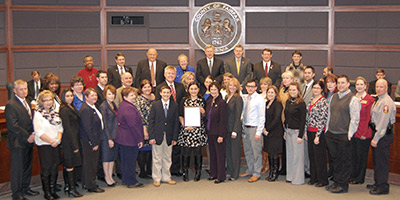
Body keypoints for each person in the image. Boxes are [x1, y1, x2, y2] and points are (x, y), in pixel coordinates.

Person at [325, 75, 361, 193]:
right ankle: (336, 182)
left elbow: (355, 119)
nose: (340, 85)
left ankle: (343, 185)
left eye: (343, 83)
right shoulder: (334, 96)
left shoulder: (353, 99)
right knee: (335, 160)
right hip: (331, 134)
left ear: (348, 84)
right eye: (339, 83)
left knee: (344, 161)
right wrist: (327, 130)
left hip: (344, 135)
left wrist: (350, 134)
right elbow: (329, 114)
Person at [5, 80, 39, 200]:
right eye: (21, 89)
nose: (24, 91)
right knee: (17, 169)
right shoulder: (11, 104)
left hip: (29, 141)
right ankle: (17, 193)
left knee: (27, 167)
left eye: (25, 88)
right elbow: (13, 126)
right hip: (18, 142)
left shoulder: (28, 101)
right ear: (15, 91)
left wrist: (34, 133)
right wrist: (27, 136)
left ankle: (25, 188)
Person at [154, 66, 186, 176]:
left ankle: (175, 170)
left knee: (176, 146)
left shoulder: (180, 86)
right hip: (165, 121)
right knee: (162, 150)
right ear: (164, 74)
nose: (171, 75)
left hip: (178, 119)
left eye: (173, 73)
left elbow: (182, 103)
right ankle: (162, 173)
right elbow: (158, 107)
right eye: (169, 73)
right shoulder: (159, 87)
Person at [368, 79, 396, 195]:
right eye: (377, 86)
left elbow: (383, 123)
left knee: (381, 162)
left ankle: (383, 186)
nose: (378, 89)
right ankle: (377, 182)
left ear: (386, 88)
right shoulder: (379, 99)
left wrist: (376, 138)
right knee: (377, 160)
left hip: (382, 135)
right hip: (378, 133)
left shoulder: (386, 103)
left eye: (381, 87)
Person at [33, 90, 63, 200]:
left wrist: (58, 140)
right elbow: (39, 132)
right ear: (41, 102)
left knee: (55, 167)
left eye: (50, 100)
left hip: (56, 143)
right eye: (45, 100)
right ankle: (47, 192)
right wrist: (51, 141)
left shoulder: (55, 112)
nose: (48, 102)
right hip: (45, 145)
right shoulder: (38, 114)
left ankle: (53, 189)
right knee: (46, 169)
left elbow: (60, 128)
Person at [149, 85, 179, 187]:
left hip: (169, 136)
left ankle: (166, 177)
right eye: (164, 92)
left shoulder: (174, 106)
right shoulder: (155, 105)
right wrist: (151, 136)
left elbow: (176, 123)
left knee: (167, 157)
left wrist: (175, 138)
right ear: (161, 93)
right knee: (157, 157)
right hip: (157, 135)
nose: (166, 94)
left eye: (168, 92)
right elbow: (151, 122)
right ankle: (156, 178)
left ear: (170, 94)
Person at [115, 88, 145, 188]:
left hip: (125, 139)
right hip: (129, 139)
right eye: (131, 95)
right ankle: (131, 181)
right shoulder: (128, 108)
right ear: (125, 97)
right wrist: (139, 139)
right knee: (130, 162)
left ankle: (126, 179)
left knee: (125, 161)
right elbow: (133, 125)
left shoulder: (123, 105)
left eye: (134, 95)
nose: (134, 97)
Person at [178, 82, 207, 182]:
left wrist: (203, 112)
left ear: (198, 90)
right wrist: (185, 125)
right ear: (188, 90)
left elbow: (204, 116)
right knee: (185, 152)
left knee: (198, 152)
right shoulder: (184, 100)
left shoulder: (202, 100)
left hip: (198, 130)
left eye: (195, 89)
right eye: (191, 89)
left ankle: (198, 172)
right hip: (187, 130)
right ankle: (185, 172)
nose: (193, 91)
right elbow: (180, 115)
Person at [239, 79, 265, 183]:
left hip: (255, 128)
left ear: (256, 88)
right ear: (246, 87)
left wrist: (259, 132)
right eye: (248, 86)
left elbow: (262, 116)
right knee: (248, 150)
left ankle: (256, 173)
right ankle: (250, 170)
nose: (250, 88)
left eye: (252, 86)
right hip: (245, 127)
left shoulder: (259, 99)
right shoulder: (245, 98)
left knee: (256, 152)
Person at [79, 88, 105, 193]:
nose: (94, 97)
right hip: (89, 141)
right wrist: (93, 142)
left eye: (95, 95)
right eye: (91, 95)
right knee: (91, 164)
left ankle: (88, 183)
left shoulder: (93, 106)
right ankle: (91, 186)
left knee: (90, 163)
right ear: (86, 97)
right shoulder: (86, 109)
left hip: (95, 139)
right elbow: (87, 128)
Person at [350, 77, 375, 185]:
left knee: (361, 156)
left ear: (365, 86)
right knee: (353, 155)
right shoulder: (353, 97)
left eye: (361, 84)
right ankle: (352, 175)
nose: (359, 86)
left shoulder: (370, 100)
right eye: (357, 85)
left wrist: (365, 133)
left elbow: (370, 118)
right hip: (353, 130)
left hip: (364, 131)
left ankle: (359, 178)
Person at [59, 89, 83, 198]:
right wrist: (74, 145)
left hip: (74, 139)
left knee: (71, 164)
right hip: (69, 141)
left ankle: (68, 186)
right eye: (67, 96)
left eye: (71, 96)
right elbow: (67, 129)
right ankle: (71, 189)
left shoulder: (71, 107)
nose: (70, 98)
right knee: (69, 165)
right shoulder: (64, 110)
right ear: (63, 97)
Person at [305, 81, 329, 187]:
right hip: (309, 131)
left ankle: (322, 179)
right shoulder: (311, 100)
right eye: (314, 88)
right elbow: (307, 117)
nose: (315, 90)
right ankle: (313, 177)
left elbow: (323, 119)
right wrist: (305, 132)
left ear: (322, 90)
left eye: (318, 88)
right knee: (312, 156)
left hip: (318, 133)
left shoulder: (323, 101)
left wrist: (318, 135)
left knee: (320, 157)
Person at [284, 82, 306, 185]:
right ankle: (290, 176)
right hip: (288, 131)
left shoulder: (301, 103)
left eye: (294, 90)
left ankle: (298, 179)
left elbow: (303, 120)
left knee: (298, 156)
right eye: (290, 90)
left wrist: (300, 135)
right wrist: (285, 130)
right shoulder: (288, 102)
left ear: (298, 91)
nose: (292, 92)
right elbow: (286, 117)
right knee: (290, 155)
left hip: (297, 132)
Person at [205, 82, 228, 183]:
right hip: (210, 132)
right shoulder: (209, 101)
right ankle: (213, 173)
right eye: (211, 89)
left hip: (218, 133)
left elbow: (223, 121)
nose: (213, 91)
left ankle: (221, 176)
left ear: (218, 90)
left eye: (215, 89)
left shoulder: (222, 103)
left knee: (220, 155)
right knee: (213, 154)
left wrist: (221, 135)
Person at [135, 79, 155, 179]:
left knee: (151, 150)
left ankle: (149, 170)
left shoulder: (154, 97)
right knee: (143, 151)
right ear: (141, 89)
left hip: (153, 127)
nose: (147, 89)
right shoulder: (138, 99)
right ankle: (142, 171)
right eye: (145, 87)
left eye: (149, 86)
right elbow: (140, 116)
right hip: (143, 127)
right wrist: (144, 129)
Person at [263, 85, 284, 182]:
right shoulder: (267, 103)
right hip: (267, 132)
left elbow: (276, 119)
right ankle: (271, 171)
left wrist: (267, 129)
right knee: (270, 153)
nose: (270, 94)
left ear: (276, 94)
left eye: (272, 92)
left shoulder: (278, 104)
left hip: (275, 132)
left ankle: (275, 173)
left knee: (274, 153)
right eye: (268, 92)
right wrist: (263, 128)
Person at [99, 85, 119, 187]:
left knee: (112, 158)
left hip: (115, 135)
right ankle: (107, 177)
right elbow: (105, 124)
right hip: (107, 137)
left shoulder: (113, 104)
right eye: (109, 94)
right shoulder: (103, 106)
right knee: (106, 158)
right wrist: (109, 139)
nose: (111, 96)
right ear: (105, 95)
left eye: (113, 94)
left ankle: (110, 176)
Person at [225, 78, 243, 181]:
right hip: (227, 129)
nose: (232, 87)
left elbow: (237, 116)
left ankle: (235, 174)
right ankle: (230, 171)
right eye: (230, 85)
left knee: (235, 152)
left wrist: (235, 130)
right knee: (229, 152)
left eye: (234, 86)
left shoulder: (238, 98)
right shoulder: (227, 97)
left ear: (237, 87)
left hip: (234, 130)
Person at [278, 71, 294, 176]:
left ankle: (290, 168)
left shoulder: (292, 91)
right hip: (281, 119)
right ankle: (283, 167)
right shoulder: (282, 90)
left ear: (292, 80)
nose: (285, 80)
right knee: (283, 146)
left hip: (289, 120)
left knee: (290, 146)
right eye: (284, 78)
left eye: (287, 78)